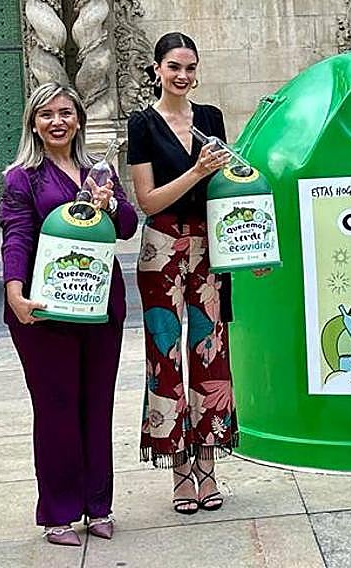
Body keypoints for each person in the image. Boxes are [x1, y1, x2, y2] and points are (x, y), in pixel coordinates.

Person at [0, 83, 139, 546]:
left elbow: (127, 226)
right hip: (45, 312)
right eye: (46, 115)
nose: (56, 122)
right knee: (56, 410)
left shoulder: (98, 173)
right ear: (33, 125)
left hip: (99, 307)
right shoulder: (23, 177)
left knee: (97, 406)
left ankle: (99, 506)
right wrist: (15, 293)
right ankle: (58, 513)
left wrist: (110, 202)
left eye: (65, 113)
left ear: (78, 119)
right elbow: (17, 234)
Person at [128, 32, 237, 514]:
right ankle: (178, 469)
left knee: (211, 350)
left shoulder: (211, 118)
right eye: (174, 66)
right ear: (156, 69)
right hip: (161, 245)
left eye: (191, 67)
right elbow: (147, 201)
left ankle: (208, 465)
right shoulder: (142, 124)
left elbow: (230, 185)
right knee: (166, 353)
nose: (183, 76)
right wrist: (195, 171)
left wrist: (247, 246)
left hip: (210, 241)